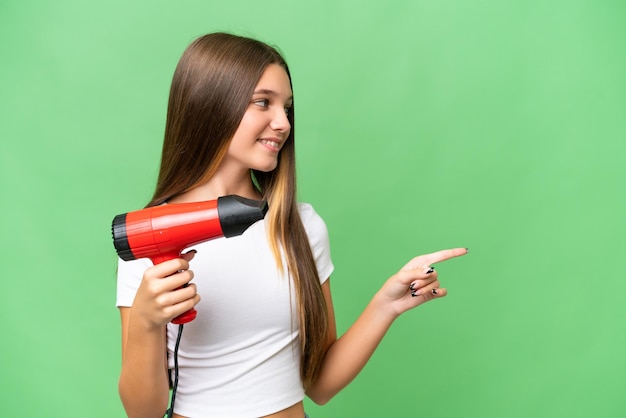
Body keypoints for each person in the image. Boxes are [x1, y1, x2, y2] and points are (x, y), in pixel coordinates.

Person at [116, 32, 468, 418]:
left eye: (287, 107)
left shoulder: (301, 226)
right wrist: (148, 323)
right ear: (212, 104)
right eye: (263, 103)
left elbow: (319, 384)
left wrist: (386, 305)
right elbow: (143, 413)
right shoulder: (149, 238)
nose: (282, 123)